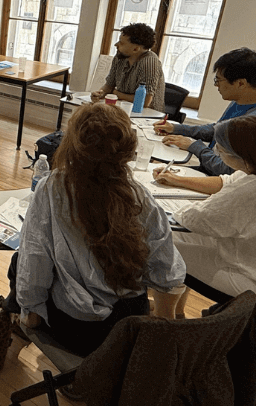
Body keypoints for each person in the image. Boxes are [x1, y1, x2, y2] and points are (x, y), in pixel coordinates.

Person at [15, 101, 184, 355]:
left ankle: (15, 327)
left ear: (73, 145)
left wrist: (31, 313)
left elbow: (35, 261)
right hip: (130, 326)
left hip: (82, 330)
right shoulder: (140, 196)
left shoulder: (52, 188)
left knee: (19, 261)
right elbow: (167, 271)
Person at [153, 116, 256, 313]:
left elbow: (194, 220)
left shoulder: (255, 189)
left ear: (239, 156)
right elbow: (228, 182)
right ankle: (176, 311)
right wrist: (177, 180)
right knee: (177, 238)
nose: (219, 153)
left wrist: (182, 208)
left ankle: (163, 318)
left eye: (221, 150)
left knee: (161, 245)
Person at [154, 47, 256, 181]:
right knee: (155, 173)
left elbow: (229, 172)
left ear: (241, 83)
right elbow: (220, 129)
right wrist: (177, 128)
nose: (216, 85)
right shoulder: (245, 98)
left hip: (220, 182)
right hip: (211, 171)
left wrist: (195, 146)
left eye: (219, 80)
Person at [91, 23, 166, 110]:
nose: (116, 45)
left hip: (147, 115)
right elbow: (109, 86)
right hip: (123, 108)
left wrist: (114, 93)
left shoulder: (149, 62)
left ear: (135, 49)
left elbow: (145, 101)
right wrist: (100, 94)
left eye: (121, 43)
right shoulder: (120, 57)